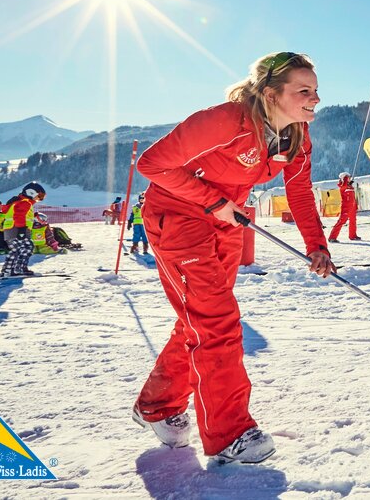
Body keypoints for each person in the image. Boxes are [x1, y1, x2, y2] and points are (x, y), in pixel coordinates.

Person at [131, 51, 335, 465]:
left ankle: (158, 405)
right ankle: (229, 433)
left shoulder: (297, 135)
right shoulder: (225, 121)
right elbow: (151, 164)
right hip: (178, 216)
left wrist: (316, 244)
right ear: (271, 93)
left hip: (225, 221)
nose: (315, 98)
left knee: (201, 319)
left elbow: (298, 192)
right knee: (216, 321)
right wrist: (214, 202)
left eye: (315, 90)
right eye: (304, 90)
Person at [0, 182, 46, 277]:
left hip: (14, 229)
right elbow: (19, 215)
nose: (39, 198)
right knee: (22, 247)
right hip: (16, 229)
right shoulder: (25, 202)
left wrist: (34, 217)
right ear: (31, 192)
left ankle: (14, 268)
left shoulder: (21, 202)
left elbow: (22, 215)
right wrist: (22, 230)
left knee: (22, 248)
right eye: (39, 195)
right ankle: (13, 269)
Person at [328, 173, 361, 242]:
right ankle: (332, 237)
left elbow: (352, 196)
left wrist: (355, 206)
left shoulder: (349, 186)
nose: (349, 178)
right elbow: (344, 186)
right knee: (342, 221)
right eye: (348, 177)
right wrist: (346, 179)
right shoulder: (342, 186)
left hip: (352, 206)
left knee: (353, 221)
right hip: (346, 206)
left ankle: (353, 235)